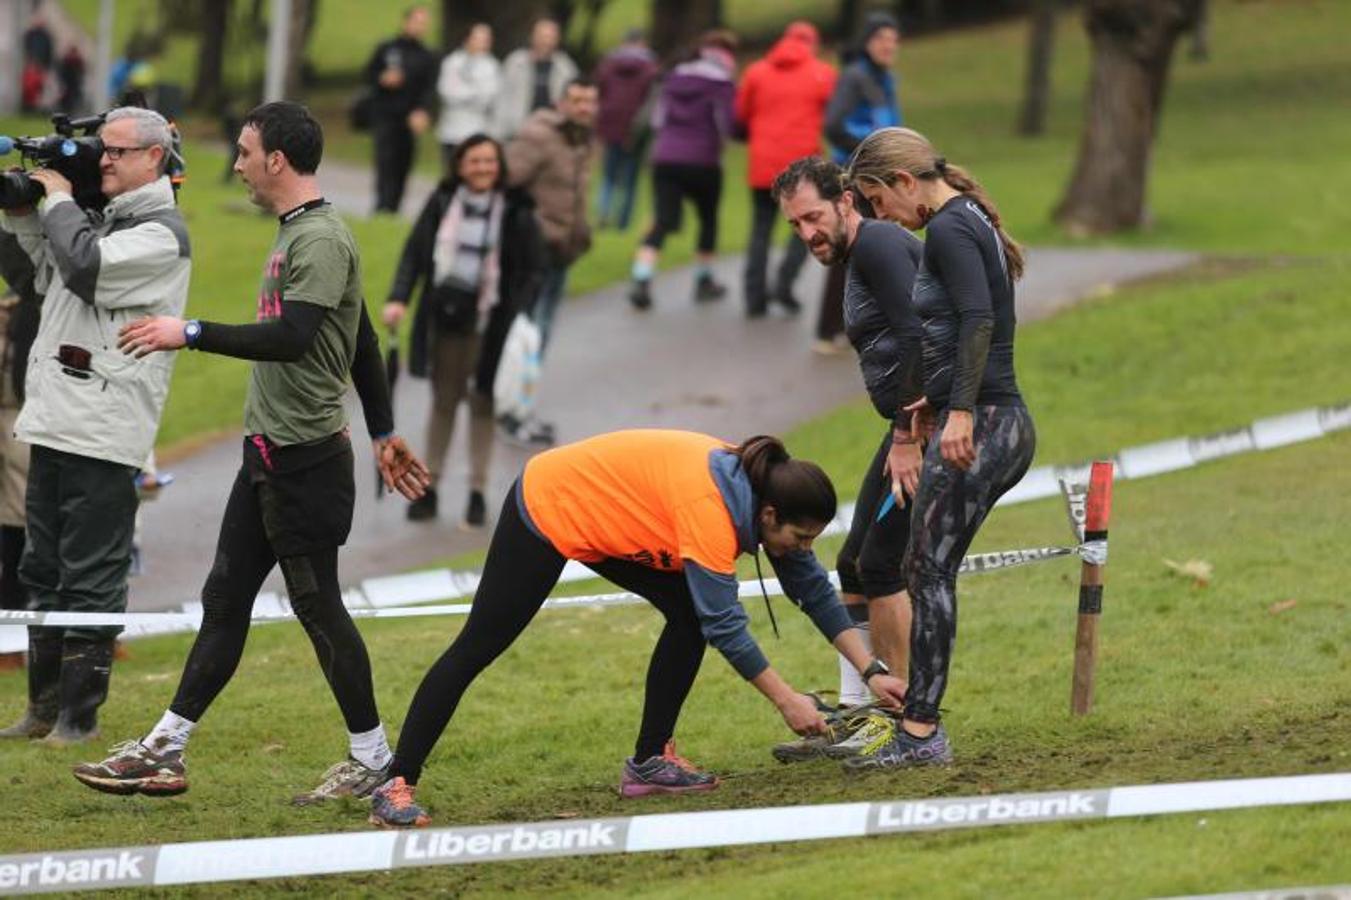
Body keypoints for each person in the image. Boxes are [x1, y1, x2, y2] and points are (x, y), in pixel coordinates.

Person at [71, 102, 431, 800]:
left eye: (244, 152)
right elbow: (359, 340)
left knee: (317, 605)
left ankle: (376, 761)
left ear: (277, 160)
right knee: (224, 597)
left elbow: (296, 337)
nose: (235, 165)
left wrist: (192, 331)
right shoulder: (295, 232)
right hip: (267, 452)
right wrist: (385, 432)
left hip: (304, 461)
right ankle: (164, 749)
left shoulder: (321, 239)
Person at [366, 430, 909, 828]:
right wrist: (787, 699)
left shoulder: (760, 496)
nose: (802, 549)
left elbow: (812, 588)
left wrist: (872, 669)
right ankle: (394, 783)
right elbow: (727, 625)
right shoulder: (713, 510)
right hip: (551, 503)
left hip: (612, 518)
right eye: (800, 537)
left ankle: (651, 761)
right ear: (768, 516)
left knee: (688, 614)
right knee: (479, 645)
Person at [845, 126, 1035, 769]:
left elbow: (981, 319)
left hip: (986, 424)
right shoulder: (968, 214)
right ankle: (920, 729)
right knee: (925, 568)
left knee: (925, 570)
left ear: (903, 181)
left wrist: (959, 411)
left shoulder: (951, 225)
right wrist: (943, 398)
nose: (879, 217)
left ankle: (921, 733)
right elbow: (967, 323)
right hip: (989, 416)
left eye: (875, 200)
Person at [0, 107, 190, 745]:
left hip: (105, 430)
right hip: (55, 419)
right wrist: (22, 211)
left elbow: (86, 270)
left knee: (91, 574)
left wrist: (57, 200)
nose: (102, 160)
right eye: (100, 150)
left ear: (153, 158)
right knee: (42, 568)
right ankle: (42, 709)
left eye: (115, 151)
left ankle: (79, 719)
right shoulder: (99, 220)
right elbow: (37, 279)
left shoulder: (161, 233)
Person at [769, 155, 924, 762]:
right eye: (795, 226)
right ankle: (862, 712)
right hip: (906, 426)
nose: (808, 234)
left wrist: (911, 436)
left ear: (846, 202)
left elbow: (919, 335)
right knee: (855, 563)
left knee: (883, 564)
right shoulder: (861, 256)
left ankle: (902, 718)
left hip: (927, 427)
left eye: (813, 217)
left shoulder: (881, 244)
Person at [384, 134, 546, 526]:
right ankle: (430, 486)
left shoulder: (516, 210)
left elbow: (535, 269)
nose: (482, 169)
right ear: (460, 165)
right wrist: (399, 297)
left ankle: (477, 490)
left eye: (489, 161)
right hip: (444, 319)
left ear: (500, 166)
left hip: (492, 323)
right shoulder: (442, 203)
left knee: (483, 401)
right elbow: (415, 253)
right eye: (474, 161)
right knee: (443, 400)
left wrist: (517, 313)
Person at [627, 30, 738, 311]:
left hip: (666, 157)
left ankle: (641, 277)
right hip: (703, 160)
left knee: (662, 220)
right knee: (707, 220)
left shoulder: (671, 78)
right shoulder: (722, 83)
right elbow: (727, 124)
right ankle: (703, 281)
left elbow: (656, 119)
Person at [735, 23, 836, 318]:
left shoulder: (756, 72)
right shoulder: (823, 74)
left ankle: (754, 298)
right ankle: (785, 282)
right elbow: (832, 118)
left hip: (762, 165)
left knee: (760, 230)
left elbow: (741, 114)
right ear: (812, 44)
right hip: (802, 167)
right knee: (807, 227)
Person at [816, 12, 902, 354]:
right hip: (854, 177)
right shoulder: (855, 77)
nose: (889, 45)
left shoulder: (883, 79)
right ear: (867, 42)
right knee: (852, 251)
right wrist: (872, 150)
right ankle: (827, 332)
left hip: (878, 176)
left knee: (869, 252)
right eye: (882, 38)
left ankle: (862, 327)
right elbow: (834, 125)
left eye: (894, 40)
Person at [363, 5, 439, 214]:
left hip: (411, 118)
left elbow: (429, 88)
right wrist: (382, 79)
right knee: (385, 161)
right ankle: (382, 207)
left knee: (404, 164)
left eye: (424, 23)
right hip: (386, 115)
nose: (420, 27)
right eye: (417, 21)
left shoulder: (427, 56)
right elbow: (369, 75)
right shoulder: (387, 48)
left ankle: (394, 208)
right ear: (406, 22)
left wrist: (423, 111)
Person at [593, 28, 659, 231]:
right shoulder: (651, 68)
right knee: (630, 180)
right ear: (643, 44)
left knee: (609, 175)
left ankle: (603, 214)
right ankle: (623, 221)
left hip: (610, 126)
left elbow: (598, 92)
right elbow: (653, 101)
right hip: (636, 131)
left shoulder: (608, 65)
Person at [495, 17, 579, 141]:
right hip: (518, 130)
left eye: (551, 37)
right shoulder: (515, 62)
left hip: (553, 131)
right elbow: (502, 97)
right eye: (543, 36)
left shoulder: (565, 66)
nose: (546, 41)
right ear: (532, 37)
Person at [434, 23, 501, 169]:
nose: (484, 43)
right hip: (451, 131)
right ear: (468, 39)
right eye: (479, 39)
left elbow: (489, 97)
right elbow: (447, 92)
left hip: (478, 130)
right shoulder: (452, 62)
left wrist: (465, 93)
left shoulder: (491, 66)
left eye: (487, 39)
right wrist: (474, 92)